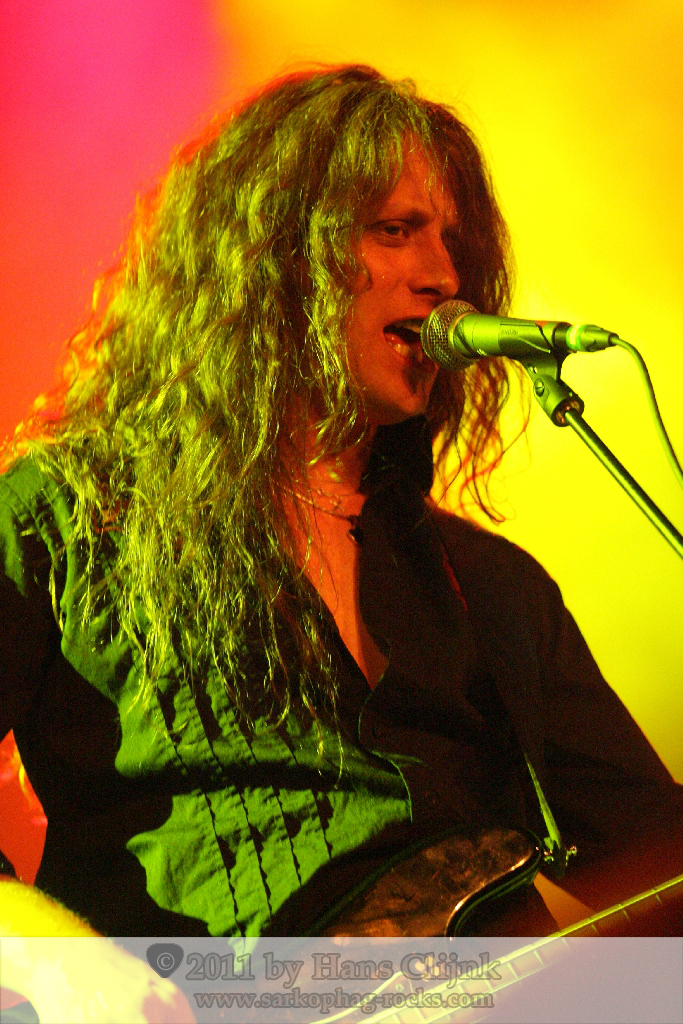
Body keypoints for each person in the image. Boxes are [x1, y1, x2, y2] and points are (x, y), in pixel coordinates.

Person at [1, 62, 682, 1011]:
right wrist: (51, 959)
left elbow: (657, 870)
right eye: (394, 230)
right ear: (270, 257)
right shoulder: (69, 513)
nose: (442, 275)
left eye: (451, 241)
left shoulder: (490, 587)